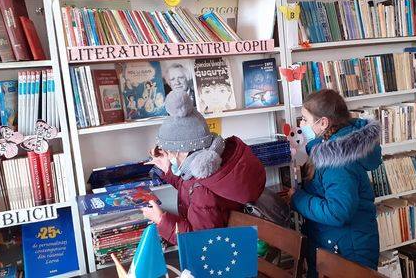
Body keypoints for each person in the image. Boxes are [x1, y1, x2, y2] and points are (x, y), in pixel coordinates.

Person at [142, 90, 266, 243]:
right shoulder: (209, 166)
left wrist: (161, 220)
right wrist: (168, 171)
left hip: (219, 256)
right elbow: (189, 185)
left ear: (179, 153)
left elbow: (199, 240)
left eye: (169, 153)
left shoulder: (202, 190)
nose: (168, 157)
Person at [288, 89, 381, 277]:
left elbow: (338, 212)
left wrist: (297, 199)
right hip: (336, 243)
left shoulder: (337, 161)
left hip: (347, 250)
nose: (301, 124)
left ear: (323, 123)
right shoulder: (329, 149)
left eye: (305, 119)